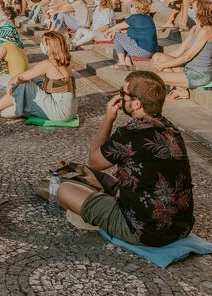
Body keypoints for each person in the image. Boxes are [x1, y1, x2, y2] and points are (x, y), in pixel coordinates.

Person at [56, 70, 193, 247]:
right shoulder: (171, 130)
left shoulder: (130, 133)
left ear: (136, 103)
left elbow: (94, 161)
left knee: (65, 189)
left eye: (123, 93)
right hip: (179, 226)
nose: (121, 96)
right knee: (108, 180)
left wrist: (108, 119)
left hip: (144, 232)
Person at [0, 32, 76, 121]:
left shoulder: (48, 63)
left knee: (23, 84)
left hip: (60, 112)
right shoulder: (65, 63)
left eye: (43, 44)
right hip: (69, 110)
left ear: (50, 46)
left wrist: (10, 88)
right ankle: (6, 110)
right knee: (35, 81)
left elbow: (18, 78)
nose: (41, 46)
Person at [151, 0, 212, 99]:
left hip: (198, 75)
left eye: (192, 8)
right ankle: (180, 90)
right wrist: (157, 61)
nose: (190, 10)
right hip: (188, 68)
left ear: (200, 11)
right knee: (157, 56)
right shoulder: (196, 28)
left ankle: (180, 90)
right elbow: (179, 51)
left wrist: (163, 65)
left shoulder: (206, 31)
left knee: (155, 76)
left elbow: (187, 57)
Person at [106, 0, 158, 68]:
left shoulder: (135, 17)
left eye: (132, 6)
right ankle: (128, 63)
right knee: (126, 40)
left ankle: (121, 62)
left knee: (116, 36)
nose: (131, 8)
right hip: (151, 51)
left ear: (136, 8)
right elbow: (130, 30)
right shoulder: (148, 18)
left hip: (142, 51)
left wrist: (108, 31)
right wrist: (117, 31)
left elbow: (119, 26)